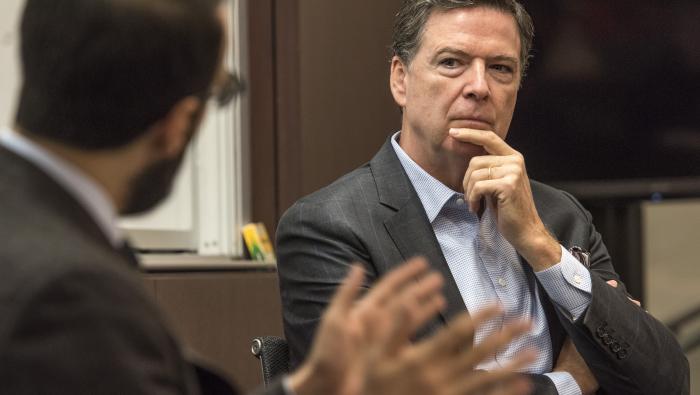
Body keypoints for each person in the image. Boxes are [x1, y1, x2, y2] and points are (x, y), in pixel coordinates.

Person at [0, 0, 537, 394]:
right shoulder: (65, 291)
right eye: (220, 92)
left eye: (501, 68)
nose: (477, 87)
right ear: (176, 125)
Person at [276, 1, 690, 394]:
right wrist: (569, 384)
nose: (478, 87)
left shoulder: (559, 216)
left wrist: (539, 244)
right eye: (452, 62)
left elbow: (667, 382)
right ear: (400, 79)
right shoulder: (329, 225)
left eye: (500, 68)